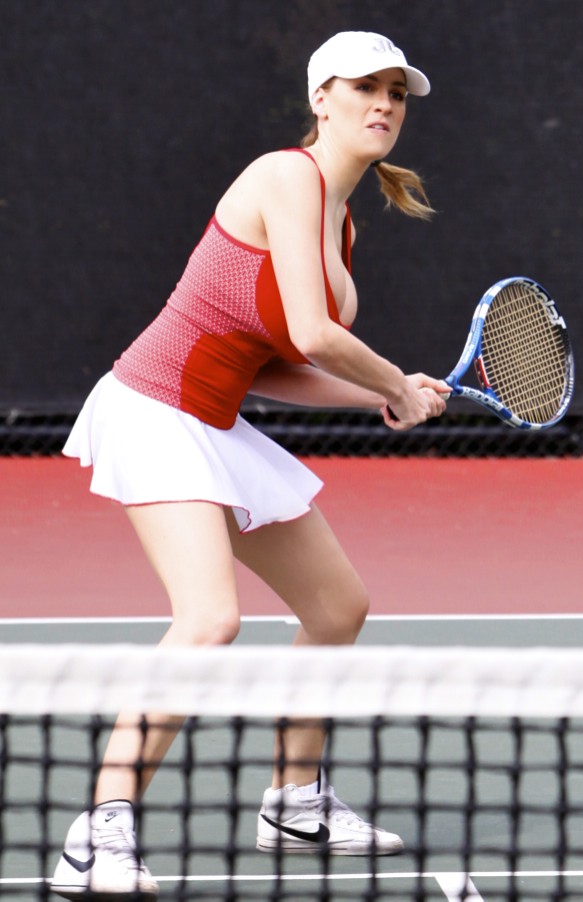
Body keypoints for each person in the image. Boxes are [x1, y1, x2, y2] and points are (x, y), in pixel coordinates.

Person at [52, 32, 446, 899]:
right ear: (321, 99)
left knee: (337, 607)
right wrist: (391, 381)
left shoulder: (340, 222)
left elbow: (270, 363)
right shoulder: (284, 178)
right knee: (207, 621)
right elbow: (313, 333)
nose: (384, 104)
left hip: (211, 418)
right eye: (365, 87)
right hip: (154, 407)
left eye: (396, 92)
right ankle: (96, 834)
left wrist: (381, 397)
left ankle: (295, 803)